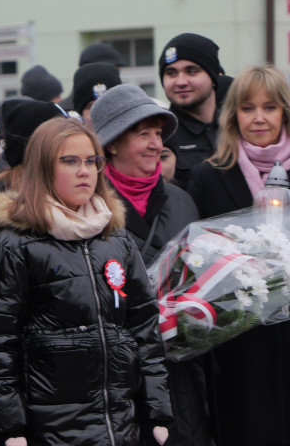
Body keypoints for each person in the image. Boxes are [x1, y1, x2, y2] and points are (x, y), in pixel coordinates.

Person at [0, 117, 172, 446]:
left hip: (120, 426)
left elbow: (145, 329)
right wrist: (11, 428)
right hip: (50, 429)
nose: (85, 171)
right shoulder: (16, 245)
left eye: (92, 161)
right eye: (69, 161)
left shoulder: (116, 240)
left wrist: (157, 409)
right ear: (42, 168)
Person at [90, 84, 210, 446]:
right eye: (143, 134)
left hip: (179, 372)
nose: (156, 144)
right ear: (111, 143)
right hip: (114, 374)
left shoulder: (182, 200)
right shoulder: (89, 204)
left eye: (158, 134)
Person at [186, 65, 290, 445]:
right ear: (233, 115)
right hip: (238, 343)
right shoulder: (208, 176)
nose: (259, 117)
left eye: (270, 107)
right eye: (247, 108)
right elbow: (194, 258)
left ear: (285, 113)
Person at [158, 33, 225, 188]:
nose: (180, 82)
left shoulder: (236, 127)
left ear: (213, 77)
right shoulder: (160, 134)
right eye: (171, 73)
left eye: (191, 71)